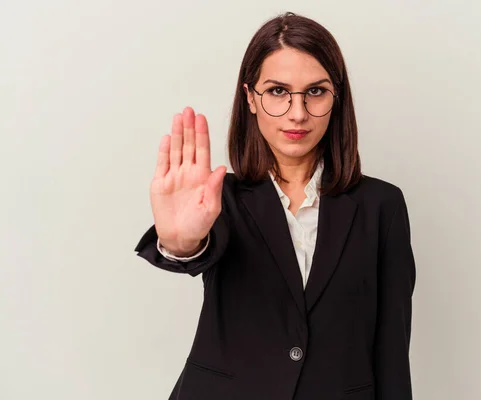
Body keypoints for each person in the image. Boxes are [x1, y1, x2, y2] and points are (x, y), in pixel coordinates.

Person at [134, 12, 416, 400]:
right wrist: (179, 244)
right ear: (251, 98)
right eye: (278, 91)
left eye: (315, 91)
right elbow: (195, 250)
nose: (297, 113)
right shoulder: (219, 199)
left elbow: (392, 351)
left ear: (337, 97)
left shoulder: (381, 206)